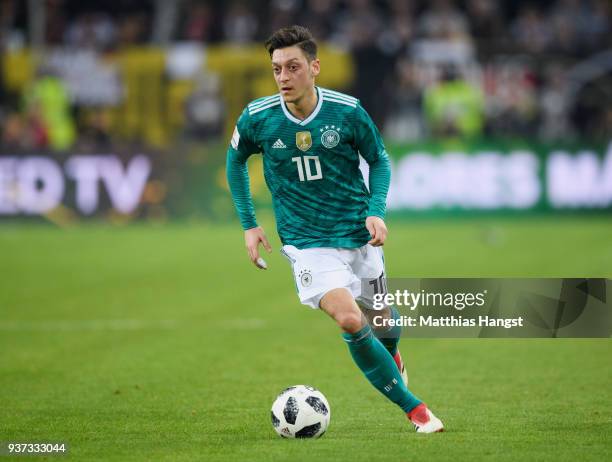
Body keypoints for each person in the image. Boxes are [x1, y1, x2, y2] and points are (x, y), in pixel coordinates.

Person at [226, 25, 443, 434]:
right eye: (277, 69)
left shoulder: (347, 111)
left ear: (315, 67)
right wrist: (249, 224)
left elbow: (378, 159)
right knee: (348, 318)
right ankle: (417, 411)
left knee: (385, 326)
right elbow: (235, 161)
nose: (284, 77)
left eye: (293, 67)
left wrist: (377, 211)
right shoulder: (258, 118)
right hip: (307, 244)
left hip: (358, 237)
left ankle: (391, 357)